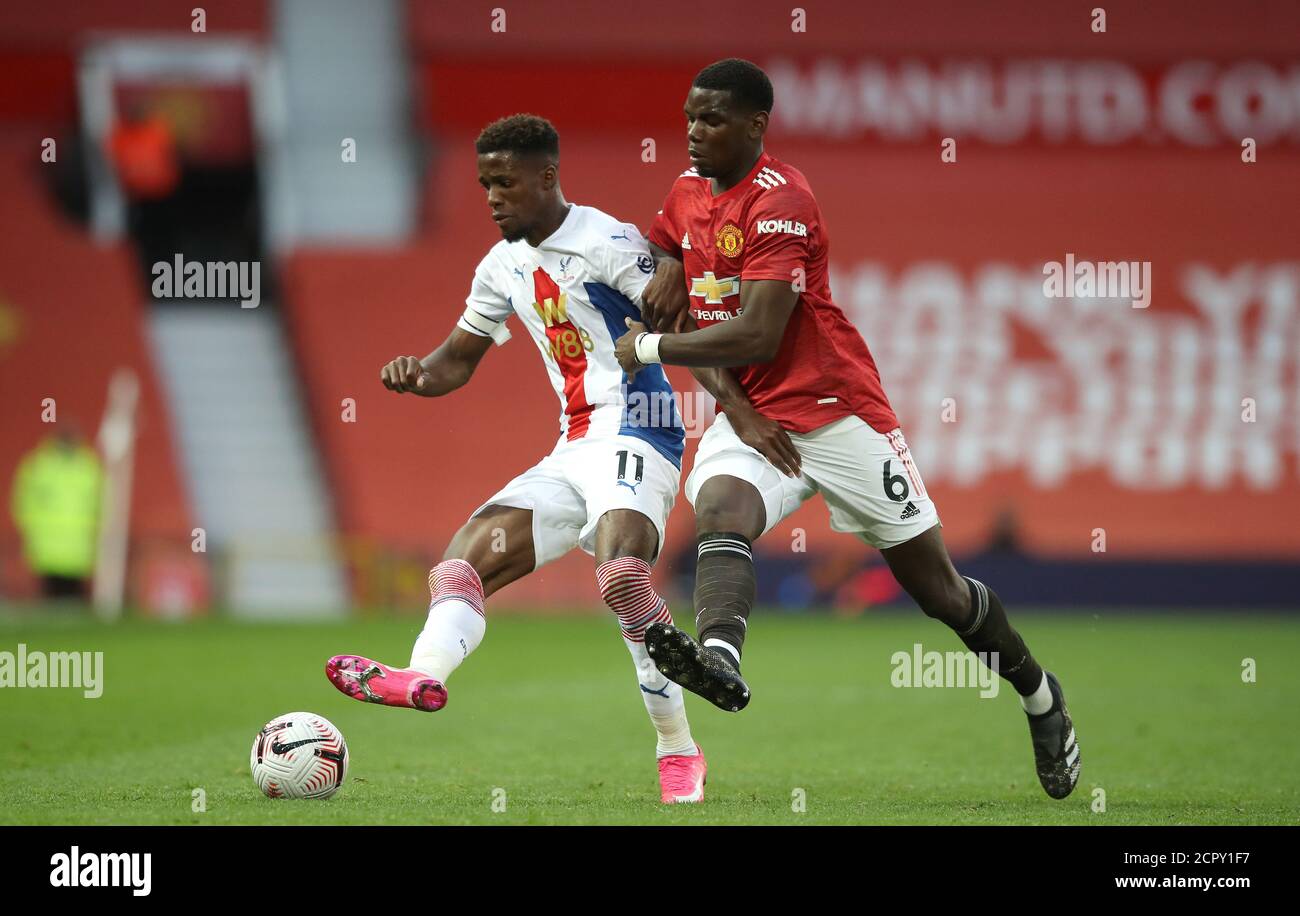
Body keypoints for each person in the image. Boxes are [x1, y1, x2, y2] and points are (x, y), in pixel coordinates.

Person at [614, 59, 1080, 799]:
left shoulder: (783, 202)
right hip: (753, 415)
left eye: (711, 119)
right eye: (689, 117)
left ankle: (1039, 694)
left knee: (940, 593)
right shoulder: (683, 196)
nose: (694, 132)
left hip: (836, 412)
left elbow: (757, 333)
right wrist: (730, 401)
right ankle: (721, 659)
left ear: (755, 126)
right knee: (720, 510)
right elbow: (685, 304)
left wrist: (650, 347)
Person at [324, 114, 756, 803]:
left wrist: (740, 411)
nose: (493, 197)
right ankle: (420, 676)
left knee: (621, 577)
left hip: (640, 433)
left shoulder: (608, 243)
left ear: (547, 177)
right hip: (574, 446)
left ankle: (677, 747)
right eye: (485, 184)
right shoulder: (499, 267)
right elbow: (456, 360)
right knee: (463, 560)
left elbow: (680, 328)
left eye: (505, 182)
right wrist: (418, 374)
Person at [10, 424, 102, 601]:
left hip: (78, 545)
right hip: (47, 544)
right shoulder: (39, 465)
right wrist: (29, 527)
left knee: (74, 595)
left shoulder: (88, 466)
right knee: (50, 595)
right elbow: (22, 501)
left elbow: (101, 502)